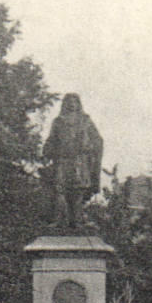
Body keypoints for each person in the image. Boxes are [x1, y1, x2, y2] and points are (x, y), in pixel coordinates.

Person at [43, 93, 103, 231]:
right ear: (65, 103)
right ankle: (59, 220)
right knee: (60, 188)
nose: (72, 104)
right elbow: (51, 139)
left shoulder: (85, 120)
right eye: (69, 101)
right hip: (62, 159)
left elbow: (97, 139)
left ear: (79, 103)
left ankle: (77, 220)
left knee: (78, 191)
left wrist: (89, 148)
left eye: (75, 101)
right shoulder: (58, 121)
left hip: (79, 161)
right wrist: (47, 149)